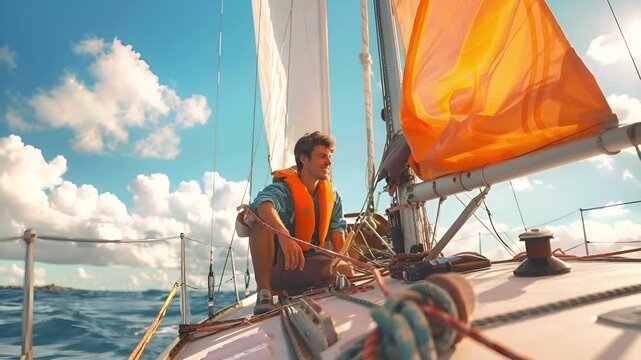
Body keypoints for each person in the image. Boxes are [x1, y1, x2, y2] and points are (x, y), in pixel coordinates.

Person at [247, 131, 348, 314]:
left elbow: (337, 229)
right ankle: (264, 292)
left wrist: (345, 261)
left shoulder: (333, 197)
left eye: (330, 157)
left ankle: (311, 283)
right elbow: (263, 204)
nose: (328, 162)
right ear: (304, 158)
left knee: (345, 272)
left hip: (311, 262)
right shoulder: (282, 190)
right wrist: (284, 236)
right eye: (322, 156)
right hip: (281, 266)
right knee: (260, 220)